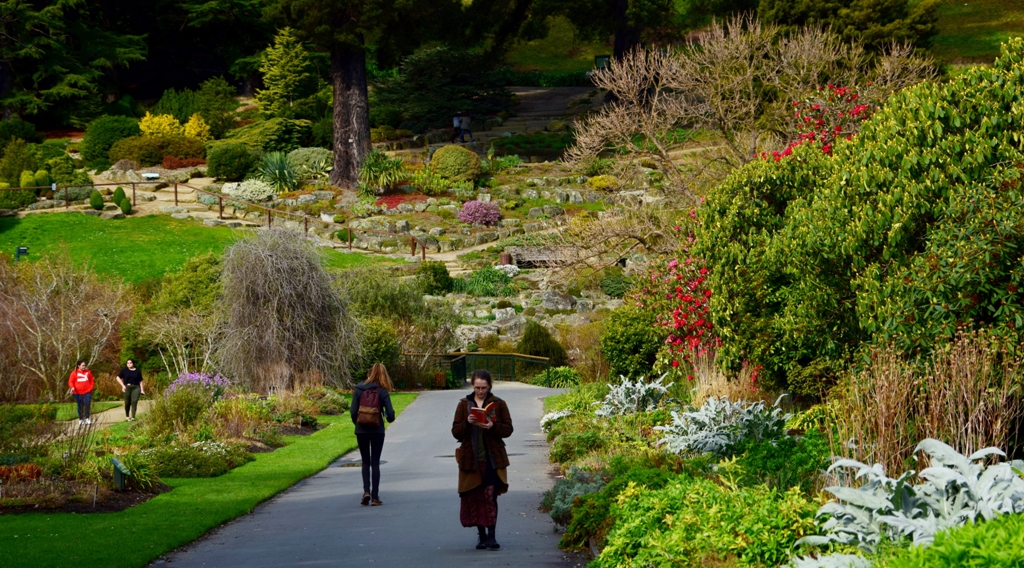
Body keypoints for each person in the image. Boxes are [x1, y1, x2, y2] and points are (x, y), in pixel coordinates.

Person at [452, 369, 513, 550]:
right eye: (477, 388)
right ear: (473, 386)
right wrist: (467, 423)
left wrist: (492, 426)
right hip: (471, 458)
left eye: (484, 388)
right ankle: (481, 536)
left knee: (490, 496)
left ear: (489, 387)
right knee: (476, 495)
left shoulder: (498, 404)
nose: (480, 391)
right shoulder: (464, 405)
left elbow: (508, 429)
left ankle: (492, 536)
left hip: (492, 458)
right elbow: (455, 431)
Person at [350, 363, 396, 506]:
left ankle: (366, 491)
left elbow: (353, 411)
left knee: (365, 462)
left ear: (369, 373)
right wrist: (388, 418)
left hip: (361, 430)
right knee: (375, 462)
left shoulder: (358, 389)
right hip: (377, 430)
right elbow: (391, 414)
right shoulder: (382, 391)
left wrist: (358, 423)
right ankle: (375, 497)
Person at [67, 360, 95, 425]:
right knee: (80, 406)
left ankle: (87, 418)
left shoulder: (88, 372)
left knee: (87, 404)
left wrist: (90, 388)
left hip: (87, 392)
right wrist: (72, 388)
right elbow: (71, 381)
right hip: (78, 393)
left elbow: (92, 381)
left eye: (85, 365)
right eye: (82, 365)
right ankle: (81, 419)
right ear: (78, 366)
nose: (84, 367)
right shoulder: (74, 373)